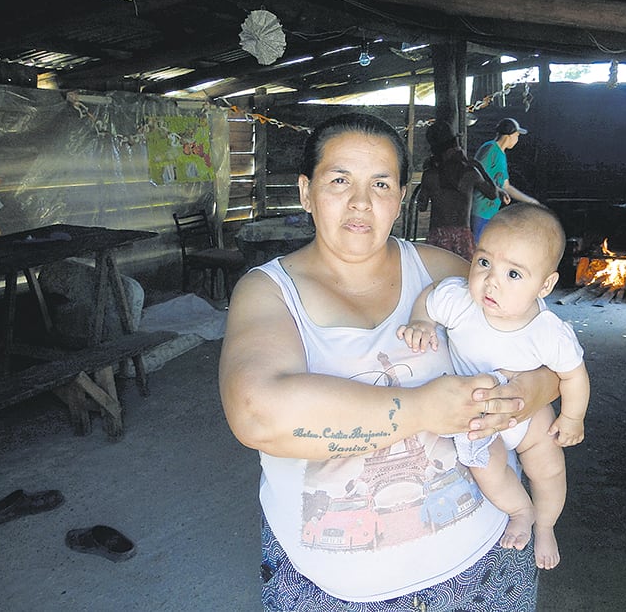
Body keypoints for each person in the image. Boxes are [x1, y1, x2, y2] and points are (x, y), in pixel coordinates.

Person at [219, 112, 562, 611]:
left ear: (400, 198)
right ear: (306, 192)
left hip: (489, 567)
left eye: (380, 184)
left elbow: (552, 353)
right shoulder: (270, 292)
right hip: (334, 593)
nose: (361, 201)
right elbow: (257, 414)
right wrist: (423, 410)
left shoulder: (442, 271)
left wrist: (529, 393)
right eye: (340, 180)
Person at [397, 202, 589, 571]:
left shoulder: (548, 331)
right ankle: (521, 510)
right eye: (484, 262)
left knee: (549, 470)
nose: (492, 281)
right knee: (487, 469)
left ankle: (546, 525)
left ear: (545, 285)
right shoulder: (460, 302)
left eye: (514, 274)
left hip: (529, 418)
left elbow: (574, 376)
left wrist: (572, 418)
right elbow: (431, 298)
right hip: (480, 421)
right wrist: (421, 321)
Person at [417, 120, 498, 260]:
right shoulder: (470, 173)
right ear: (455, 145)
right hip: (462, 237)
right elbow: (492, 194)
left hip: (438, 236)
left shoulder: (430, 175)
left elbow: (422, 206)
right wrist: (478, 166)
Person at [471, 117, 541, 242]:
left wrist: (530, 201)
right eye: (517, 135)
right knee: (475, 247)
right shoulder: (490, 148)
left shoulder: (501, 154)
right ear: (510, 135)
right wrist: (498, 190)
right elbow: (476, 174)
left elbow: (506, 186)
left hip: (489, 213)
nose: (517, 139)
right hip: (478, 210)